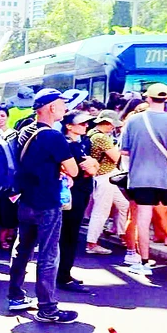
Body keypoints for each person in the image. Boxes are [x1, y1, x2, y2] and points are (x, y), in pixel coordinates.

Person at [6, 89, 80, 323]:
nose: (65, 108)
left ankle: (15, 296)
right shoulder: (53, 136)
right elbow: (74, 170)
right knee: (48, 255)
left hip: (25, 200)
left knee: (22, 250)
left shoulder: (25, 130)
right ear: (50, 108)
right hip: (47, 202)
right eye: (61, 104)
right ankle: (47, 308)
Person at [121, 83, 167, 276]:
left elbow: (124, 152)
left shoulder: (133, 121)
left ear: (148, 98)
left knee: (143, 219)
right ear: (165, 99)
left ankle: (143, 261)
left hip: (140, 178)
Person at [56, 111, 98, 293]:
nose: (86, 126)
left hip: (81, 193)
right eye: (81, 124)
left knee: (70, 236)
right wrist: (92, 165)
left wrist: (93, 164)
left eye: (87, 124)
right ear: (69, 126)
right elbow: (87, 169)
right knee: (68, 236)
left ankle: (64, 272)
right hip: (72, 195)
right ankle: (63, 276)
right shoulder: (68, 145)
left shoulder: (83, 143)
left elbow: (93, 167)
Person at [86, 110, 129, 257]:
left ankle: (122, 233)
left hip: (105, 176)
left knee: (124, 205)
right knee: (101, 211)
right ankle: (91, 243)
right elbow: (116, 157)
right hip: (104, 177)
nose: (113, 128)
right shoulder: (101, 138)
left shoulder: (92, 133)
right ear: (107, 123)